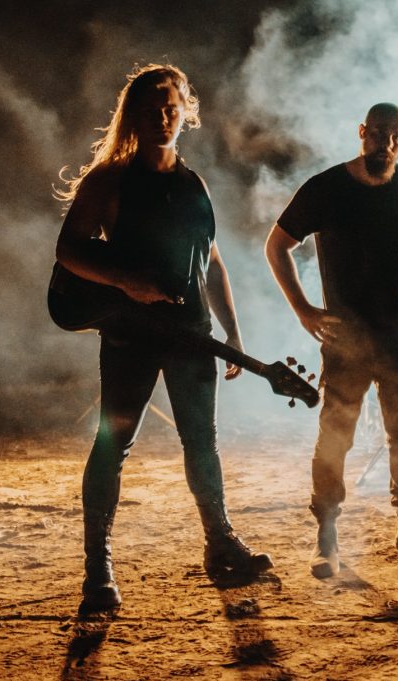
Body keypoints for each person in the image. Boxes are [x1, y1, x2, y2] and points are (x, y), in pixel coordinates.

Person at [55, 64, 272, 612]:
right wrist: (124, 281)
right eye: (151, 108)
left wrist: (233, 330)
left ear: (185, 112)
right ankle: (97, 568)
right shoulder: (110, 181)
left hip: (192, 334)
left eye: (171, 107)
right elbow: (68, 251)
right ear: (132, 115)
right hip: (131, 335)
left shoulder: (193, 183)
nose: (162, 117)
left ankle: (220, 542)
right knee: (114, 444)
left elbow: (212, 262)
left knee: (202, 441)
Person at [265, 103, 398, 578]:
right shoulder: (326, 188)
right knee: (335, 436)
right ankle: (327, 538)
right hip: (346, 340)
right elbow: (277, 245)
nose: (386, 144)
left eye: (396, 136)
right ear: (362, 131)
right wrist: (303, 309)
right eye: (379, 133)